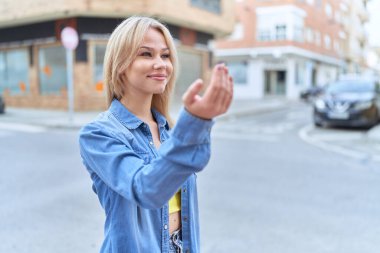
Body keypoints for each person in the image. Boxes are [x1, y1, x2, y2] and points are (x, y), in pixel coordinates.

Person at [79, 16, 233, 253]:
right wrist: (196, 122)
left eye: (165, 55)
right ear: (120, 64)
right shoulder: (99, 135)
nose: (161, 63)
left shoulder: (170, 133)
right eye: (146, 54)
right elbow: (145, 188)